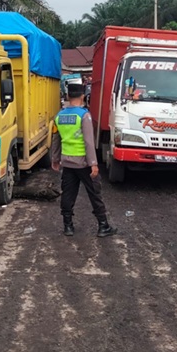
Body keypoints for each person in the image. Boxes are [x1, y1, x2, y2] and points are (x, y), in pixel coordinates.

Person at [51, 83, 117, 237]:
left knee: (68, 193)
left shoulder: (59, 116)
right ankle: (103, 226)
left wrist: (55, 158)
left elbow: (56, 139)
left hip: (67, 163)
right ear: (82, 96)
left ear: (68, 96)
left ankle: (68, 226)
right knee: (94, 193)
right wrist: (94, 164)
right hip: (84, 164)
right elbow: (89, 142)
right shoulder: (84, 116)